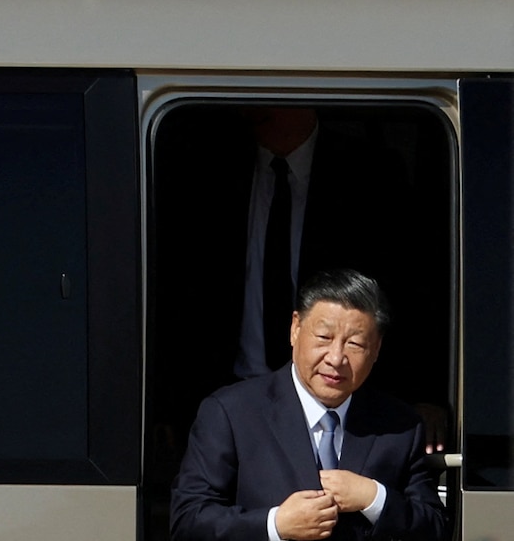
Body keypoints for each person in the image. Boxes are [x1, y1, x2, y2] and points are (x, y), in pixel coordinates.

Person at [151, 104, 448, 457]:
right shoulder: (207, 170)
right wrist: (161, 404)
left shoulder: (369, 173)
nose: (254, 105)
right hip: (229, 402)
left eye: (269, 92)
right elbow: (174, 294)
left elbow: (414, 289)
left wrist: (426, 395)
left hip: (342, 406)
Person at [170, 268, 451, 541]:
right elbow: (188, 520)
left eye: (355, 344)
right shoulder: (231, 412)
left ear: (376, 349)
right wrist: (275, 524)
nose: (336, 358)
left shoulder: (399, 425)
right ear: (295, 328)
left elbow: (435, 527)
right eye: (324, 338)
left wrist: (374, 498)